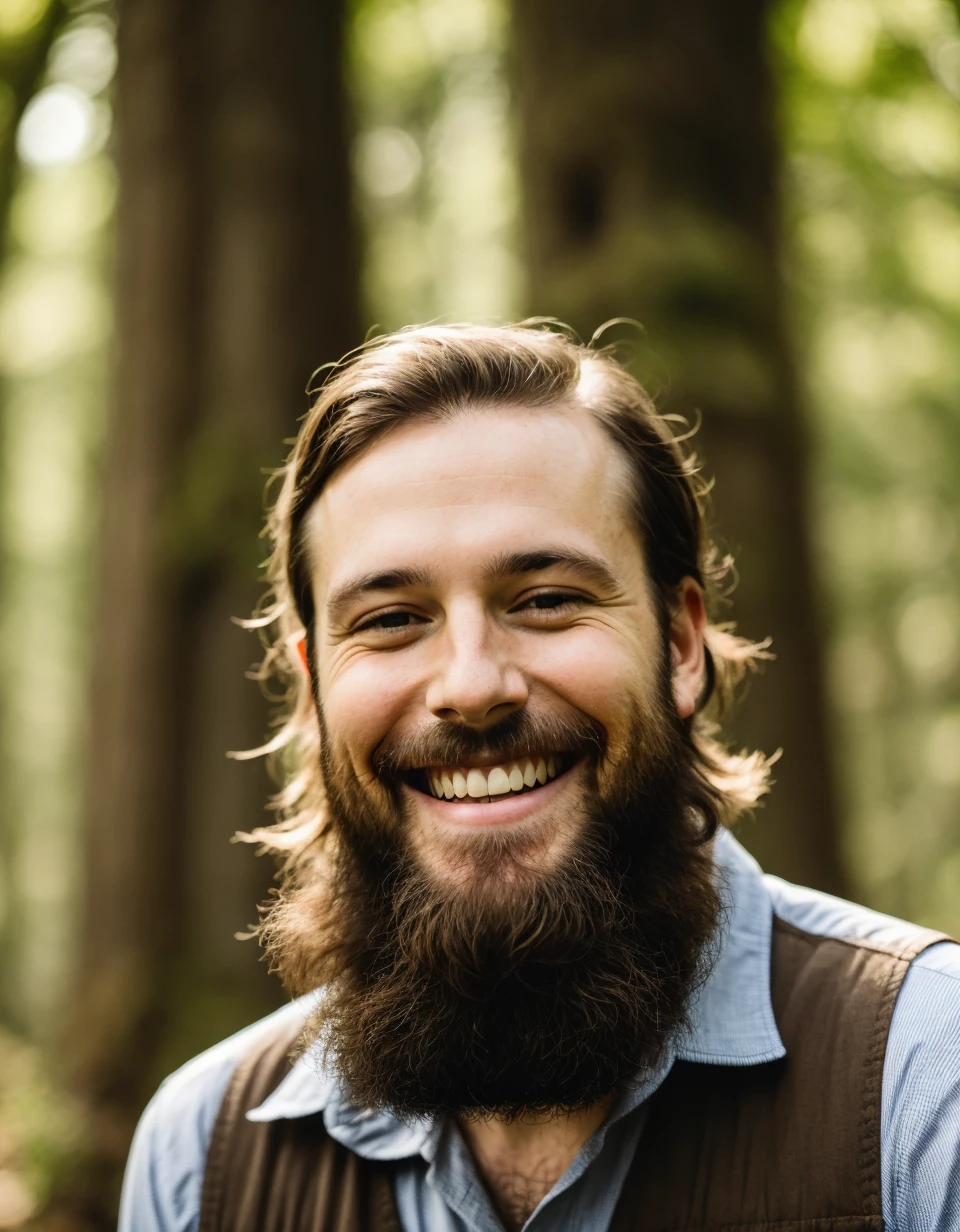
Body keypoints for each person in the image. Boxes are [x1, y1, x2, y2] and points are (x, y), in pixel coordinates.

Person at [119, 323, 960, 1232]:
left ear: (680, 646)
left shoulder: (927, 1081)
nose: (473, 686)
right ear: (315, 681)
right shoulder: (197, 1160)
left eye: (548, 600)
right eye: (393, 618)